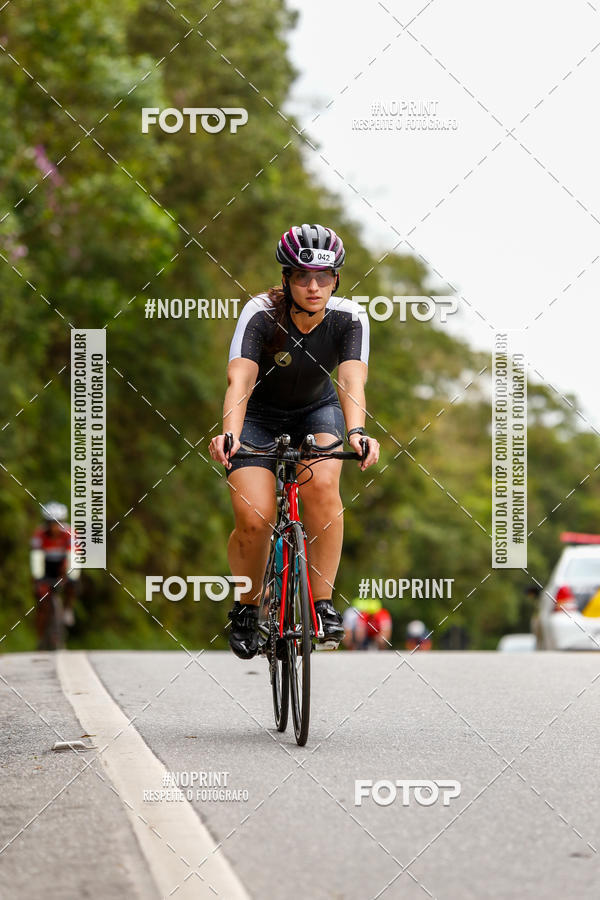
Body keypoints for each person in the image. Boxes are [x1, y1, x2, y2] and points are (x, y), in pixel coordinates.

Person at [209, 223, 380, 658]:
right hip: (257, 417)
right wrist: (230, 434)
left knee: (322, 486)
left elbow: (351, 381)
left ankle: (321, 604)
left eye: (323, 276)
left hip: (316, 411)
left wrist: (357, 432)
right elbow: (240, 380)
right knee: (255, 517)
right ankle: (247, 608)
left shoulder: (349, 317)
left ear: (336, 279)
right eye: (303, 276)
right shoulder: (261, 313)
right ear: (286, 278)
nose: (313, 286)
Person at [30, 502, 80, 645]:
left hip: (63, 565)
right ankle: (40, 637)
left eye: (57, 523)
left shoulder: (70, 534)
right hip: (46, 566)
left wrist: (70, 577)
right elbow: (36, 559)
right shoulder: (39, 534)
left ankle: (68, 609)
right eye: (50, 523)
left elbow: (73, 557)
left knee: (73, 582)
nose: (54, 527)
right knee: (41, 601)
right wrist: (38, 579)